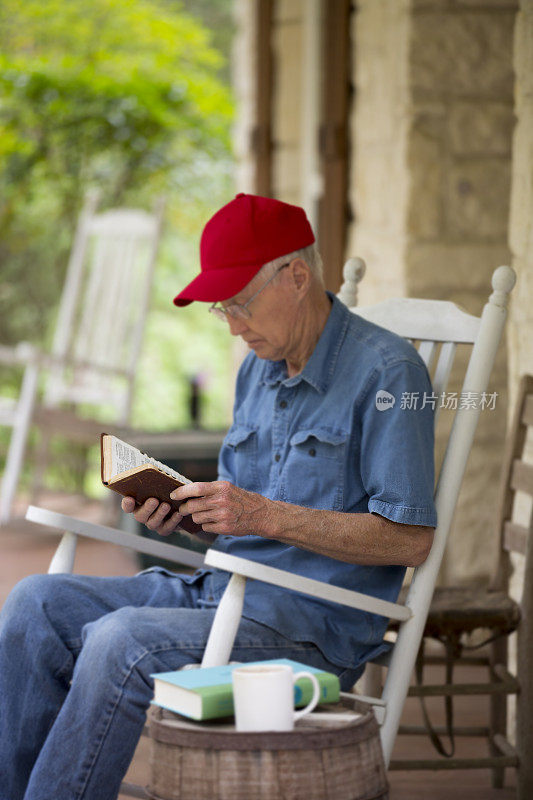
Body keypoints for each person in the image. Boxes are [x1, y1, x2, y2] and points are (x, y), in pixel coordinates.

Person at [0, 193, 437, 800]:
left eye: (240, 304)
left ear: (296, 276)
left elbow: (411, 540)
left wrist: (262, 513)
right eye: (220, 309)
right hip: (216, 596)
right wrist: (185, 517)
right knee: (33, 604)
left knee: (119, 641)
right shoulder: (256, 369)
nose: (232, 325)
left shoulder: (388, 374)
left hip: (310, 631)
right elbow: (237, 527)